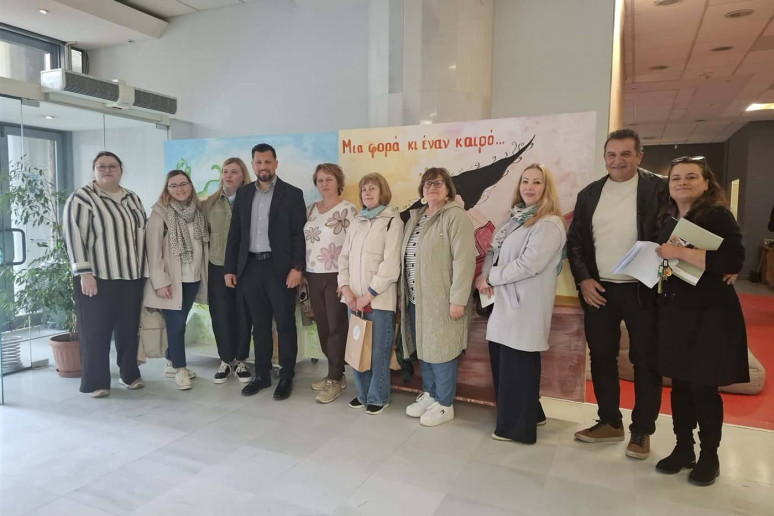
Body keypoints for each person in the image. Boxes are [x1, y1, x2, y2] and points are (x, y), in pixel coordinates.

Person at [567, 128, 665, 459]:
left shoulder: (659, 189)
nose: (618, 160)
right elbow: (575, 242)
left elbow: (681, 230)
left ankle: (642, 430)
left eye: (625, 154)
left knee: (646, 361)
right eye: (611, 154)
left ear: (639, 156)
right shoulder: (589, 194)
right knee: (601, 357)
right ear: (604, 157)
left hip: (643, 289)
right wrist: (583, 279)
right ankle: (609, 421)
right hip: (600, 290)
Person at [653, 156, 747, 486]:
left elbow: (733, 259)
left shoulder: (717, 215)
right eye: (676, 177)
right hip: (676, 312)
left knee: (703, 386)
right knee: (679, 385)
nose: (682, 182)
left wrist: (678, 252)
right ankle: (684, 448)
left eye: (691, 177)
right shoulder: (666, 219)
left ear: (706, 183)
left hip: (710, 314)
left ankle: (710, 455)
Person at [477, 163, 566, 443]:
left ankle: (517, 429)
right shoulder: (512, 218)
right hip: (503, 303)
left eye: (537, 182)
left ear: (546, 188)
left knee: (518, 365)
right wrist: (484, 276)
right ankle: (532, 414)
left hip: (524, 306)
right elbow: (493, 251)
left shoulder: (549, 224)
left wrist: (492, 276)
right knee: (506, 364)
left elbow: (529, 264)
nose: (529, 187)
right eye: (525, 181)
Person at [224, 143, 306, 401]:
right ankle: (262, 375)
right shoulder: (244, 193)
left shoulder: (292, 194)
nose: (263, 167)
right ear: (253, 164)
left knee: (284, 324)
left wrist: (297, 268)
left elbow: (299, 234)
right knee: (259, 325)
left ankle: (287, 376)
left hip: (279, 269)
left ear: (276, 163)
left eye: (268, 162)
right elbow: (235, 233)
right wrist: (230, 268)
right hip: (250, 268)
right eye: (258, 162)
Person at [64, 151, 148, 398]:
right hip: (97, 277)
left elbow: (141, 234)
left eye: (112, 166)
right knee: (95, 332)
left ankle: (129, 374)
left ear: (121, 170)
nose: (107, 170)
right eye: (101, 166)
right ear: (94, 170)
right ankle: (96, 382)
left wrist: (145, 272)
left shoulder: (132, 198)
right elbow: (74, 236)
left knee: (128, 329)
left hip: (131, 277)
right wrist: (84, 274)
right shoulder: (82, 197)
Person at [400, 167, 475, 427]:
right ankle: (431, 394)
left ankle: (445, 403)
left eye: (438, 183)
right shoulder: (416, 217)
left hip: (442, 299)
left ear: (448, 189)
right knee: (424, 349)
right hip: (416, 299)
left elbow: (464, 260)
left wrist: (458, 300)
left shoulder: (455, 217)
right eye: (427, 183)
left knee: (442, 350)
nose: (432, 187)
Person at [338, 173, 403, 414]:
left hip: (378, 300)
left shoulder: (392, 221)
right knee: (358, 349)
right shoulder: (356, 221)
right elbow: (343, 258)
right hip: (353, 301)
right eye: (364, 189)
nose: (367, 193)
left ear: (382, 192)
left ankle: (378, 396)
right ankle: (363, 394)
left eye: (372, 188)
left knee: (377, 352)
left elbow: (390, 265)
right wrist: (346, 290)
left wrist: (367, 296)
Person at [144, 170, 208, 390]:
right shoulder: (159, 215)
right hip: (172, 282)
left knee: (178, 323)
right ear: (167, 189)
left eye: (183, 184)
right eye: (174, 185)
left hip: (193, 278)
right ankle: (180, 369)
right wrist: (160, 282)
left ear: (190, 185)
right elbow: (153, 252)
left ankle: (172, 362)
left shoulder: (197, 212)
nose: (180, 189)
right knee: (177, 325)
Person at [305, 163, 358, 403]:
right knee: (323, 328)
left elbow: (354, 246)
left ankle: (335, 380)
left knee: (337, 328)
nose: (324, 184)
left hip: (336, 275)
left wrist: (345, 279)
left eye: (329, 179)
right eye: (320, 180)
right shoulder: (311, 209)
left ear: (338, 181)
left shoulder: (349, 210)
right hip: (313, 275)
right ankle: (334, 373)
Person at [202, 158, 252, 384]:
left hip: (246, 267)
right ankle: (225, 359)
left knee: (244, 313)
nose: (228, 176)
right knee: (220, 314)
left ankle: (240, 360)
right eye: (225, 171)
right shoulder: (210, 203)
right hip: (218, 265)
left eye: (234, 172)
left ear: (243, 176)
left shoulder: (251, 199)